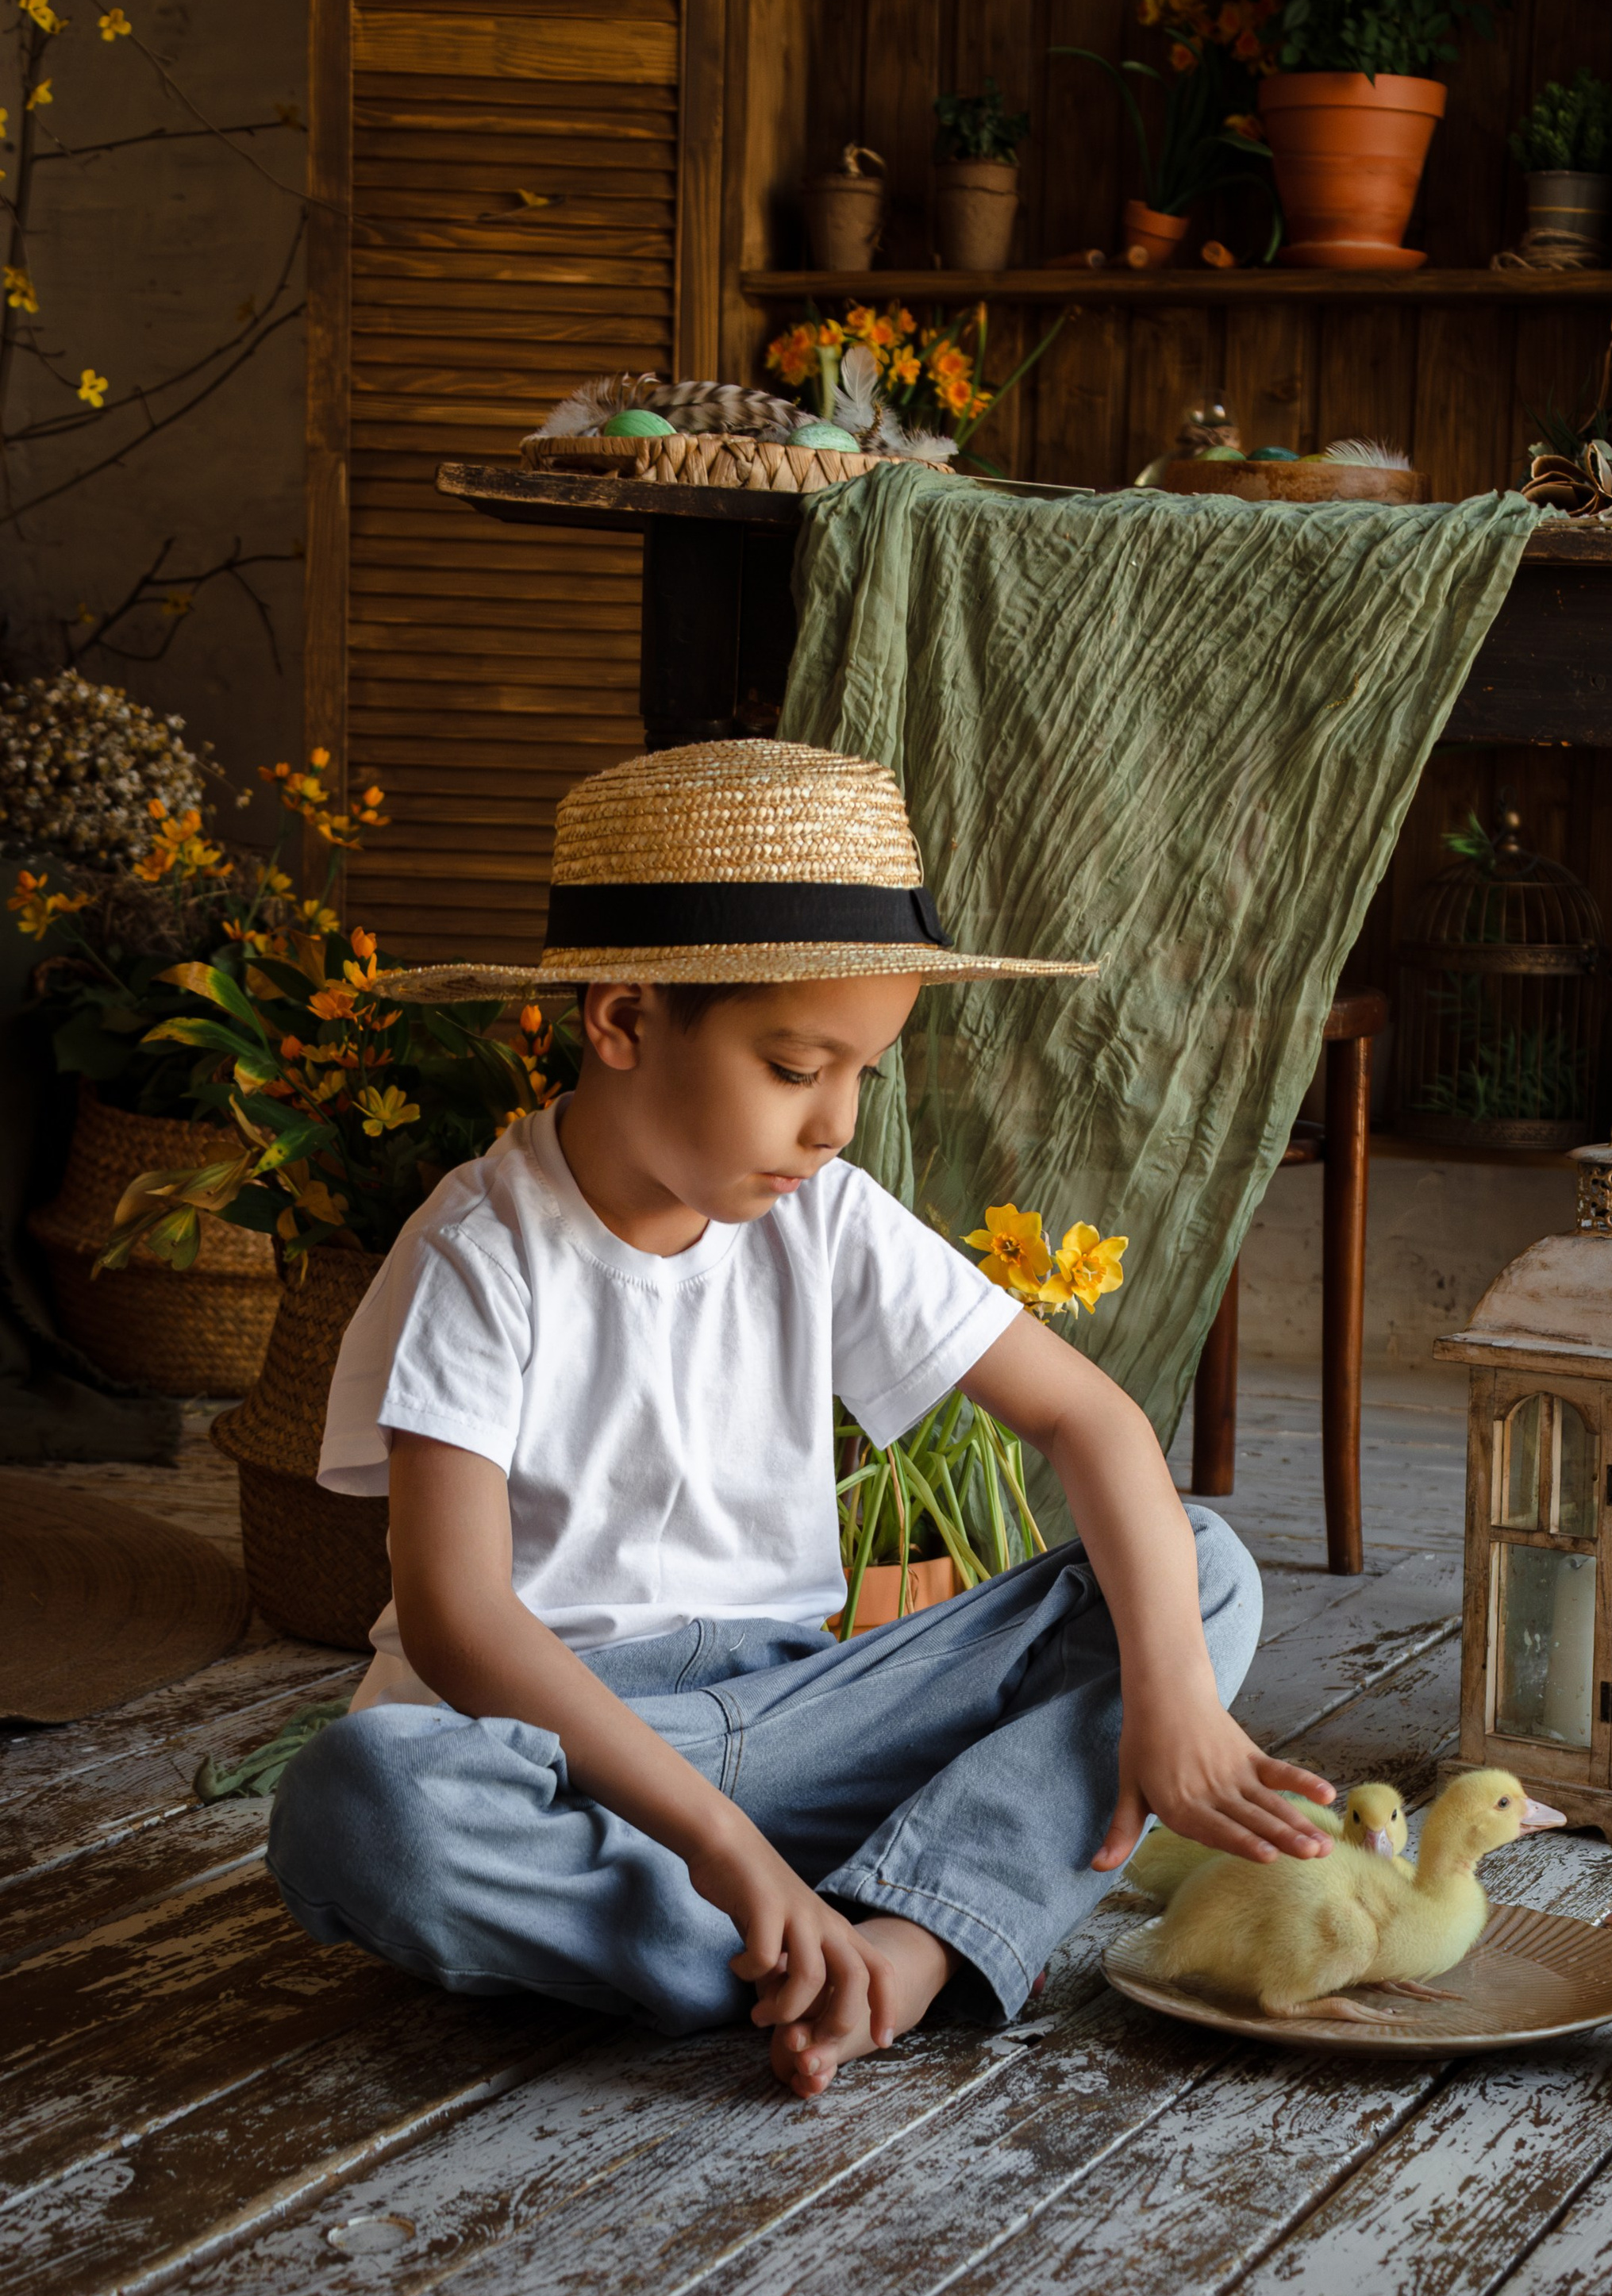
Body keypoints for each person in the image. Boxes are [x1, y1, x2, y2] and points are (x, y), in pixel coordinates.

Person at [270, 740, 1333, 2098]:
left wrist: (1175, 1700)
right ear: (623, 1019)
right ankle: (787, 1940)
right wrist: (721, 1842)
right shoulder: (482, 1251)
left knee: (1201, 1567)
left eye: (862, 1076)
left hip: (800, 1722)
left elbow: (1092, 1420)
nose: (832, 1123)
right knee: (360, 1806)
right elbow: (457, 1621)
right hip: (554, 1752)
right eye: (793, 1065)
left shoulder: (821, 1215)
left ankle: (905, 1937)